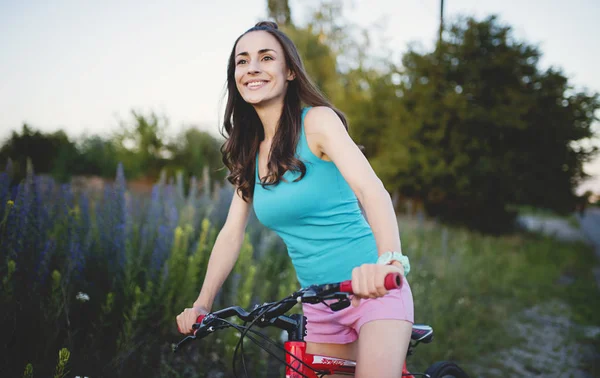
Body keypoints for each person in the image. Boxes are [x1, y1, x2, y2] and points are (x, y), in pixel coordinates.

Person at [176, 21, 414, 378]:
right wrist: (202, 304)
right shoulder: (248, 153)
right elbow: (230, 234)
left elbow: (372, 190)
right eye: (242, 61)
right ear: (235, 77)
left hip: (374, 290)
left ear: (289, 71)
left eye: (266, 57)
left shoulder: (318, 123)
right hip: (319, 305)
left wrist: (389, 263)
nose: (252, 67)